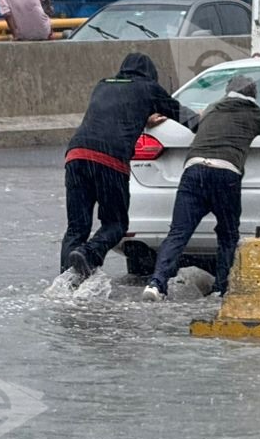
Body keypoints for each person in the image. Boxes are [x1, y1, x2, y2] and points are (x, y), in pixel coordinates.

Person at [143, 73, 260, 301]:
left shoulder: (212, 109)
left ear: (227, 92)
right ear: (254, 94)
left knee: (178, 233)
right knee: (227, 235)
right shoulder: (253, 113)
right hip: (225, 175)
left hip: (194, 171)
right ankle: (221, 289)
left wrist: (162, 117)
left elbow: (196, 123)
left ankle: (156, 284)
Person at [61, 52, 200, 281]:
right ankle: (89, 252)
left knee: (76, 228)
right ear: (150, 75)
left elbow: (111, 114)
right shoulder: (149, 88)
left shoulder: (103, 85)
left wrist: (142, 116)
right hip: (109, 160)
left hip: (76, 155)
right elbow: (188, 119)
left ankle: (65, 284)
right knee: (116, 224)